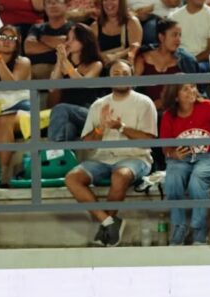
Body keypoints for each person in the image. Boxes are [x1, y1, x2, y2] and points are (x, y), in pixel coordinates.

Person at [65, 59, 157, 246]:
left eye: (125, 74)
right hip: (102, 158)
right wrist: (101, 128)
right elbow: (87, 145)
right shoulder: (99, 105)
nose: (121, 77)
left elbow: (148, 140)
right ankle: (108, 222)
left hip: (135, 157)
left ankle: (106, 227)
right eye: (116, 74)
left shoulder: (144, 102)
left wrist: (120, 127)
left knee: (120, 175)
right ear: (108, 78)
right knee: (72, 178)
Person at [161, 82, 210, 244]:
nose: (192, 91)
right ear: (175, 96)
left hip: (209, 156)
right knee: (172, 181)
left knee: (197, 180)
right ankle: (179, 227)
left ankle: (199, 230)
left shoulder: (207, 106)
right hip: (181, 158)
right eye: (185, 89)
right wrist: (173, 153)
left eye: (192, 87)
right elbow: (165, 147)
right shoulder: (168, 116)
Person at [46, 23, 104, 140]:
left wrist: (65, 61)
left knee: (60, 108)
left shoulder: (96, 64)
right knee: (67, 129)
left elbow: (82, 83)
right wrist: (59, 61)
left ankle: (52, 150)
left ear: (85, 41)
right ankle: (58, 151)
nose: (69, 42)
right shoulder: (64, 63)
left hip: (87, 112)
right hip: (66, 114)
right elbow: (52, 88)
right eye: (68, 38)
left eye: (74, 39)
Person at [0, 25, 32, 185]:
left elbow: (11, 85)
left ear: (17, 42)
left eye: (12, 38)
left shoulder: (23, 62)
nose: (7, 41)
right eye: (3, 37)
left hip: (20, 108)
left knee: (3, 121)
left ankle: (2, 175)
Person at [134, 17, 198, 111]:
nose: (178, 40)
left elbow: (194, 92)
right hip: (146, 111)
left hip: (176, 111)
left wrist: (165, 102)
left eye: (180, 35)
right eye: (174, 35)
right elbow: (133, 88)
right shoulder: (143, 58)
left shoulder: (186, 61)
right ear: (161, 37)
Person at [90, 0, 142, 72]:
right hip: (102, 69)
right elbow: (91, 53)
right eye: (105, 0)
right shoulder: (95, 26)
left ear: (121, 2)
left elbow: (135, 47)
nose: (109, 3)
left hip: (125, 69)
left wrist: (117, 56)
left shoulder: (132, 22)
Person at [24, 0, 73, 78]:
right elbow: (28, 47)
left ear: (65, 6)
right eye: (49, 2)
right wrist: (59, 46)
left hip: (63, 69)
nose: (53, 5)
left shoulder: (73, 27)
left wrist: (43, 39)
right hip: (35, 69)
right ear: (45, 8)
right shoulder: (37, 27)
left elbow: (70, 47)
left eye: (57, 1)